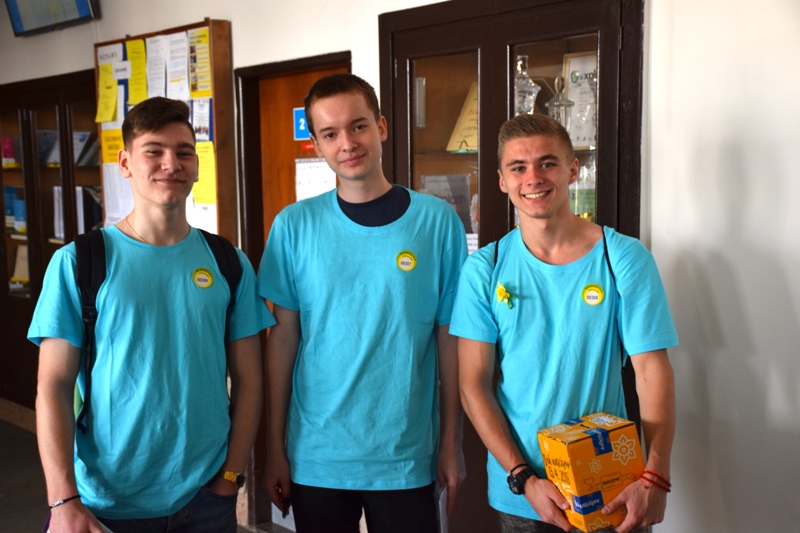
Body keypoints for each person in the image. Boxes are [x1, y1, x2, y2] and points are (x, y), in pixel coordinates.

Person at [29, 97, 273, 533]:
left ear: (196, 165)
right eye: (154, 151)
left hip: (206, 500)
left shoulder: (228, 261)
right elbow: (54, 385)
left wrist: (231, 477)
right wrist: (62, 499)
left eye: (183, 152)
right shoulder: (80, 262)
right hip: (106, 503)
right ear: (125, 162)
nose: (171, 164)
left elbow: (250, 379)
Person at [258, 73, 467, 533]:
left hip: (405, 455)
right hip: (317, 455)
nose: (347, 143)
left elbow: (450, 336)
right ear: (316, 145)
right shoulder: (293, 226)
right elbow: (283, 340)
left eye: (358, 126)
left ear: (381, 127)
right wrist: (274, 446)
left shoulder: (437, 222)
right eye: (330, 133)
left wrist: (451, 442)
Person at [451, 114, 677, 533]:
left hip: (610, 487)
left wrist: (656, 475)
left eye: (547, 163)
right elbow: (473, 384)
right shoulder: (485, 269)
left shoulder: (622, 258)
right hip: (524, 495)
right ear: (502, 180)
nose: (533, 178)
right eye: (518, 167)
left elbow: (651, 371)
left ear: (573, 170)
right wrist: (523, 477)